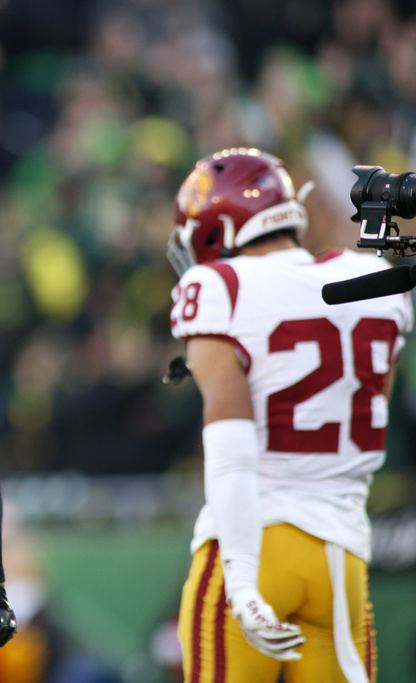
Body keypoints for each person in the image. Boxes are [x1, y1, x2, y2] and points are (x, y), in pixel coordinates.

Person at [166, 147, 413, 682]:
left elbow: (231, 456)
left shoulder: (220, 287)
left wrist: (242, 581)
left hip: (252, 540)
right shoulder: (375, 282)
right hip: (341, 556)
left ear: (216, 229)